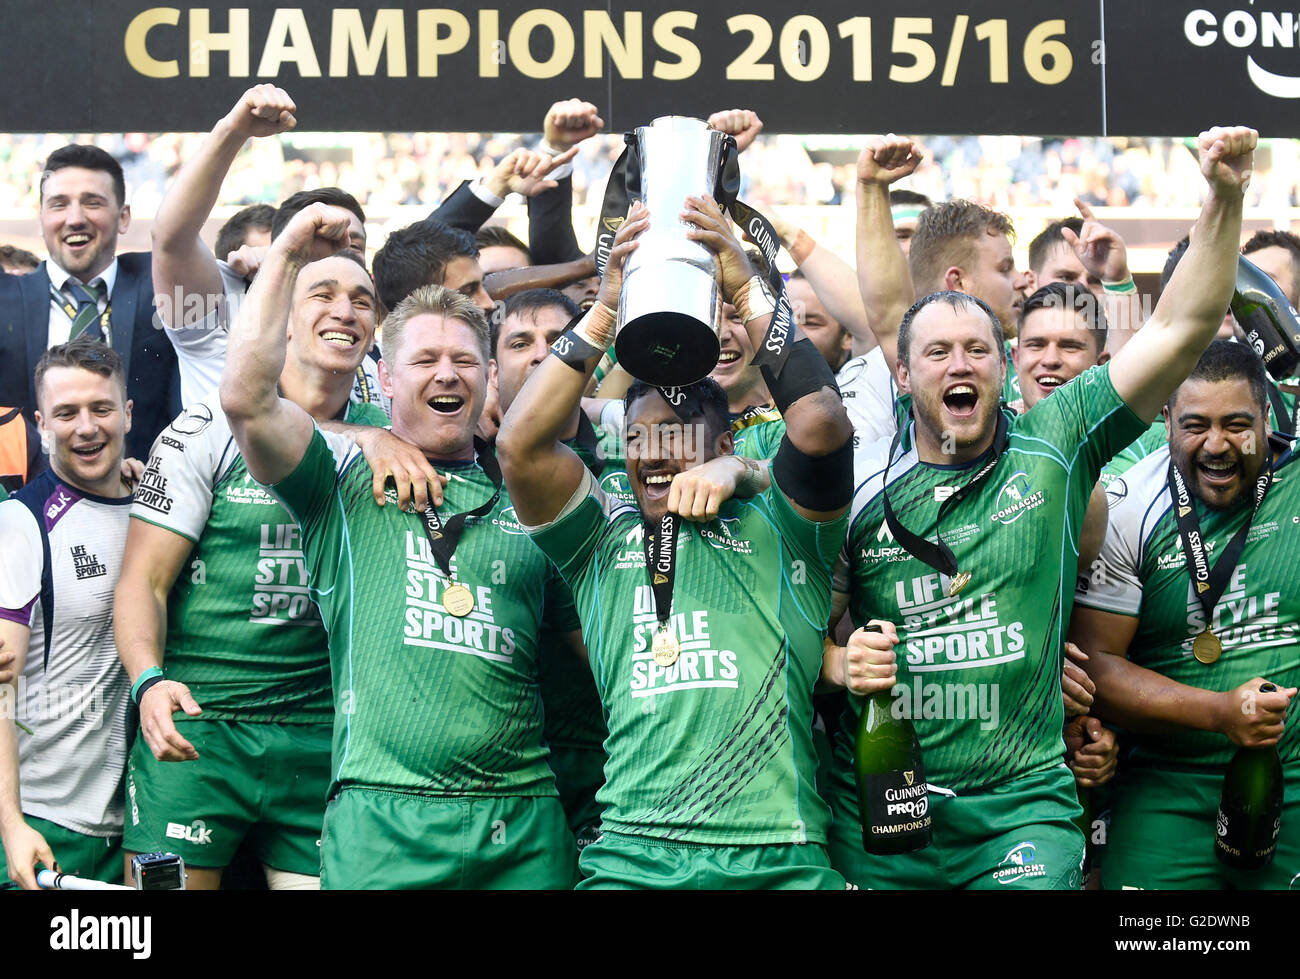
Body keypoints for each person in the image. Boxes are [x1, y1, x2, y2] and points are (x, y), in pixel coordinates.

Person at [823, 125, 1257, 890]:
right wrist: (840, 659)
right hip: (883, 815)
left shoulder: (1056, 438)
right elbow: (803, 634)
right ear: (902, 374)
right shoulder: (861, 479)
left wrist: (1223, 195)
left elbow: (1183, 324)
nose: (959, 363)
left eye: (979, 349)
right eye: (937, 352)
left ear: (1007, 365)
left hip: (1021, 813)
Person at [497, 195, 855, 889]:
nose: (656, 452)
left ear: (724, 442)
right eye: (640, 436)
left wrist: (744, 281)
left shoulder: (786, 529)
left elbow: (820, 425)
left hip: (777, 857)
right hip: (634, 857)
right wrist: (604, 310)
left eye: (678, 433)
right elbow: (517, 444)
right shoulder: (598, 538)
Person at [220, 203, 579, 889]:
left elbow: (602, 655)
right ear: (383, 380)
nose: (446, 373)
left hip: (524, 822)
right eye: (424, 359)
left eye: (463, 360)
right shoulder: (336, 480)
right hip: (382, 818)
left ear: (489, 379)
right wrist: (288, 252)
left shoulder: (535, 503)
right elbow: (246, 397)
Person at [113, 248, 391, 890]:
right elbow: (142, 581)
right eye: (321, 293)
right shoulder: (205, 426)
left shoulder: (395, 434)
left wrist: (372, 436)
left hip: (326, 736)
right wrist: (149, 682)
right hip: (199, 730)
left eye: (361, 300)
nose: (343, 311)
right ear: (284, 319)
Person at [1070, 339, 1300, 889]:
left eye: (1237, 425)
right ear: (1166, 418)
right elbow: (1095, 668)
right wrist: (1220, 711)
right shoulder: (1127, 506)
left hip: (1294, 782)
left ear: (1268, 416)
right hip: (1166, 786)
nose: (1216, 445)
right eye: (1195, 425)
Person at [0, 338, 136, 888]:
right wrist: (11, 824)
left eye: (101, 409)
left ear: (127, 413)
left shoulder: (161, 506)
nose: (86, 427)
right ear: (40, 424)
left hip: (141, 826)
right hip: (45, 825)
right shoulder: (21, 524)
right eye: (66, 413)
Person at [0, 145, 180, 461]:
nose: (75, 219)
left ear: (123, 217)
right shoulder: (5, 300)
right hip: (29, 502)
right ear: (41, 217)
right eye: (59, 205)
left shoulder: (161, 288)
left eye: (92, 203)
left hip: (143, 498)